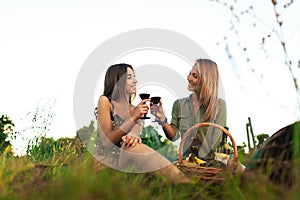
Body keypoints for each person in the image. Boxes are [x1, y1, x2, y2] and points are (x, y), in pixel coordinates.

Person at [94, 63, 189, 183]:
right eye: (129, 77)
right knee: (131, 146)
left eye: (134, 76)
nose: (135, 80)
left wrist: (134, 133)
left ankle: (184, 185)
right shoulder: (105, 102)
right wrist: (133, 118)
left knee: (131, 146)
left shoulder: (135, 109)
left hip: (128, 164)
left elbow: (137, 127)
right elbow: (106, 142)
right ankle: (185, 184)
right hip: (105, 165)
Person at [150, 59, 227, 161]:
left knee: (240, 170)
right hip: (187, 162)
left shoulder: (219, 106)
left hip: (212, 163)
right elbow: (174, 136)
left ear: (206, 81)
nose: (189, 78)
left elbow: (217, 143)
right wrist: (162, 119)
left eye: (195, 76)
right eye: (190, 73)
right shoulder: (179, 105)